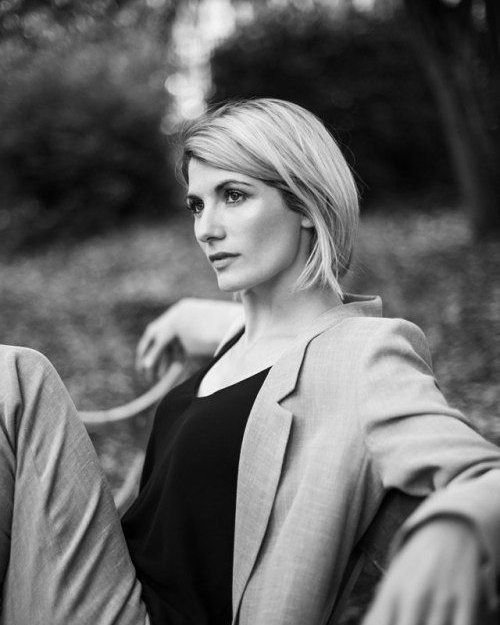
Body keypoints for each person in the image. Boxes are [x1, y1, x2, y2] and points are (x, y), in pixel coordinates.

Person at [0, 98, 498, 625]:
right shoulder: (239, 344)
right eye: (197, 205)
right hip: (111, 590)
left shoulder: (366, 354)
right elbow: (273, 359)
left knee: (15, 378)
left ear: (306, 203)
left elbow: (482, 476)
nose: (206, 229)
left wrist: (457, 531)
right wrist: (206, 318)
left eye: (234, 196)